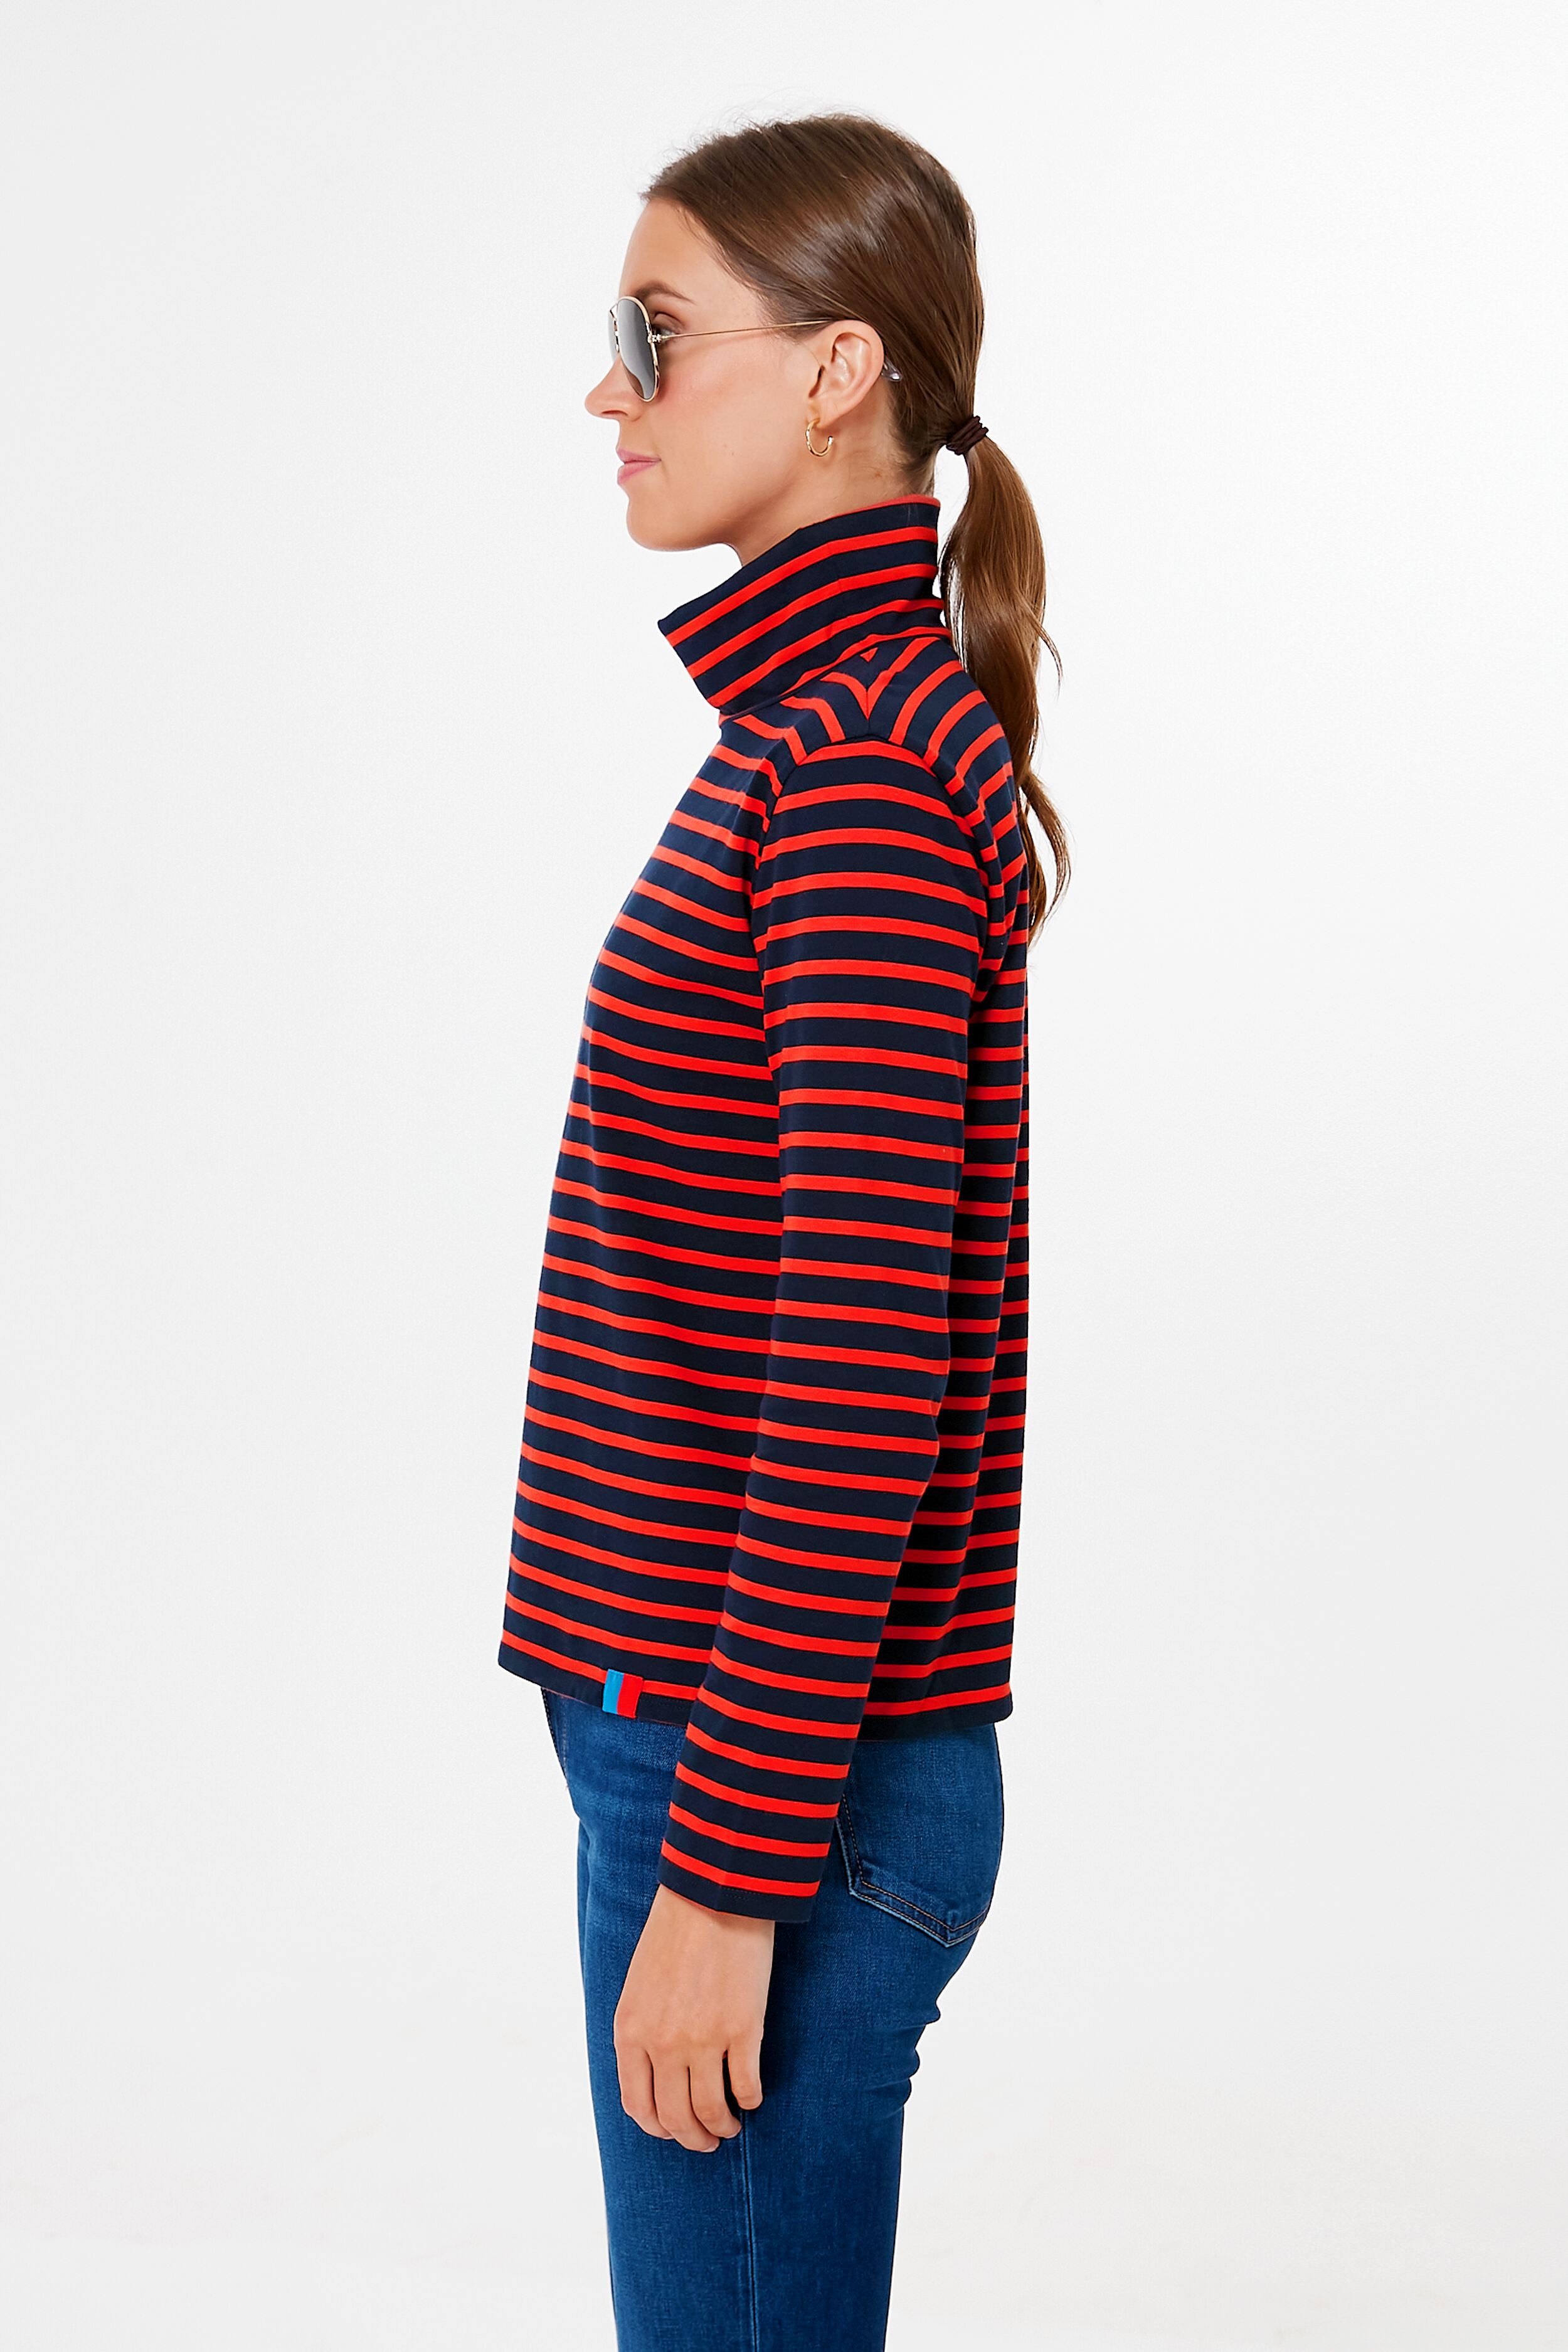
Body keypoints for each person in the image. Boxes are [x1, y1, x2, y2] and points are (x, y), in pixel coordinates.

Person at [497, 110, 1067, 2352]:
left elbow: (859, 1358)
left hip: (766, 1779)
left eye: (654, 334)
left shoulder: (850, 774)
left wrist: (726, 1879)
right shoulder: (826, 739)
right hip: (737, 1740)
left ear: (838, 370)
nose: (607, 391)